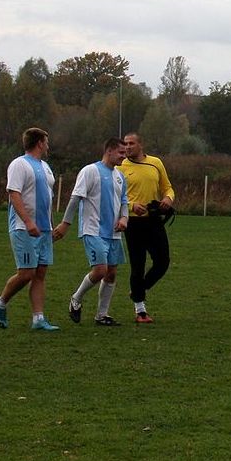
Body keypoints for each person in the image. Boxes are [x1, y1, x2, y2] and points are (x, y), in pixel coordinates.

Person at [53, 137, 129, 326]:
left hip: (114, 233)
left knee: (111, 273)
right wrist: (65, 223)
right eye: (121, 152)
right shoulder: (90, 171)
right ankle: (76, 298)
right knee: (100, 270)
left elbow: (124, 201)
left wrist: (124, 218)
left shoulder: (120, 176)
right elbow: (75, 199)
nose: (124, 156)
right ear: (109, 151)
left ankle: (102, 315)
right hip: (93, 230)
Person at [0, 127, 59, 331]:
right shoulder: (19, 164)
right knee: (26, 273)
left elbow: (47, 197)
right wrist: (29, 222)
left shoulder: (45, 166)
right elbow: (14, 194)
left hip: (44, 229)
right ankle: (1, 302)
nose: (48, 146)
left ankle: (38, 319)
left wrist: (50, 224)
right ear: (39, 143)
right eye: (46, 142)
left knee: (40, 273)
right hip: (23, 227)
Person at [117, 132, 175, 323]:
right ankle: (140, 310)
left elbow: (167, 187)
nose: (127, 147)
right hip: (133, 222)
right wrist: (131, 206)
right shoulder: (120, 167)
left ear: (141, 145)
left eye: (131, 143)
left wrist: (168, 198)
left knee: (163, 261)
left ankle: (138, 290)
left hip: (153, 219)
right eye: (125, 144)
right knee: (138, 265)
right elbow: (114, 196)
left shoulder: (155, 163)